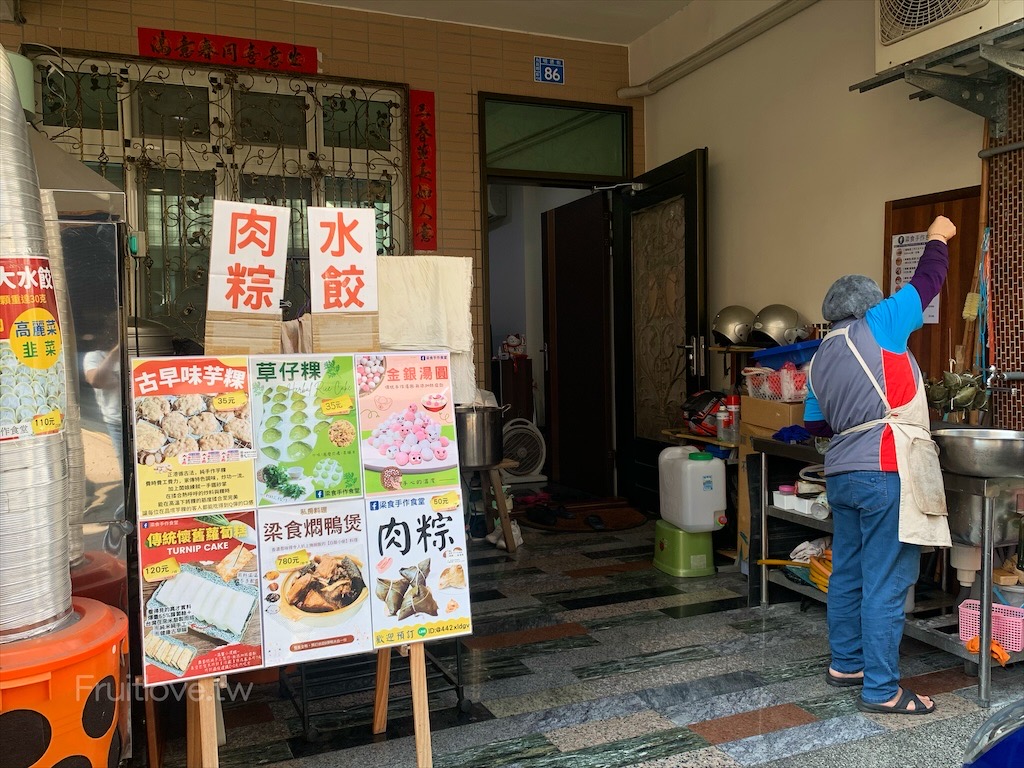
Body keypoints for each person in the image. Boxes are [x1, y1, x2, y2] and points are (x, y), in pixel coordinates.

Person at [804, 215, 956, 715]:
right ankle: (882, 690)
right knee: (888, 579)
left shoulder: (821, 355)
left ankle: (846, 663)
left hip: (843, 476)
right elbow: (927, 282)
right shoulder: (881, 324)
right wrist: (937, 237)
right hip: (885, 469)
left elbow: (815, 427)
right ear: (871, 306)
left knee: (848, 572)